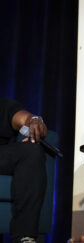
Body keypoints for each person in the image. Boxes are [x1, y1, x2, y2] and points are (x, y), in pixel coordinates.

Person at [0, 98, 47, 243]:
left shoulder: (3, 106)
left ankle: (24, 237)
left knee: (32, 150)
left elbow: (24, 118)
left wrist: (34, 122)